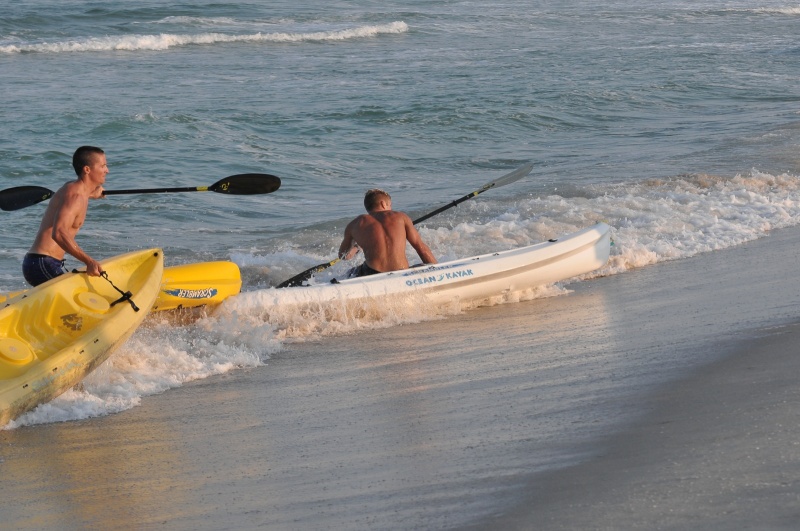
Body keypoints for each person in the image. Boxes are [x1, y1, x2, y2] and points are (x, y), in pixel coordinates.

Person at [22, 146, 107, 287]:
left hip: (40, 262)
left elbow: (78, 195)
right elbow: (59, 233)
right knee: (76, 298)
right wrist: (89, 261)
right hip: (43, 264)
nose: (107, 170)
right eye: (103, 166)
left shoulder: (74, 189)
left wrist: (92, 193)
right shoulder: (76, 196)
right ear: (87, 169)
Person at [338, 188, 437, 277]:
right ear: (383, 204)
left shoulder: (355, 224)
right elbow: (421, 248)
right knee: (423, 266)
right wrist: (437, 271)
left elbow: (344, 256)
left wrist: (357, 246)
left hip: (372, 273)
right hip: (401, 271)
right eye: (390, 205)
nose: (390, 208)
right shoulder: (401, 217)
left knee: (350, 273)